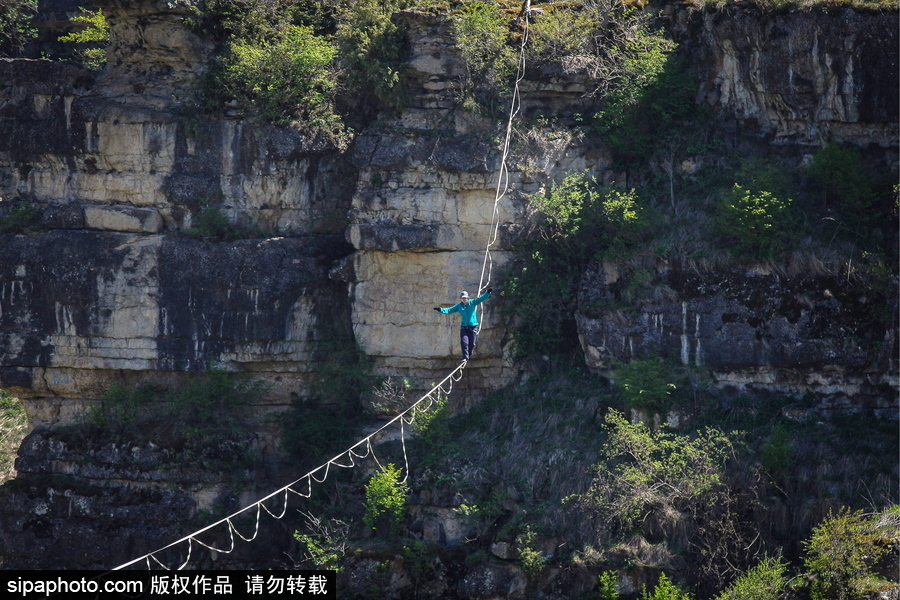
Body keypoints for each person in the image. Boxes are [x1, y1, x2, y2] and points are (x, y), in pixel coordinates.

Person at [434, 288, 492, 362]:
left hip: (473, 327)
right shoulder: (459, 306)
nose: (464, 299)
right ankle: (465, 357)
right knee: (464, 342)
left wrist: (488, 292)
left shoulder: (472, 302)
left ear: (468, 298)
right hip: (464, 327)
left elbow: (481, 299)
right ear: (460, 299)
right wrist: (440, 309)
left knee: (472, 344)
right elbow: (449, 310)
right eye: (463, 298)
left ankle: (469, 355)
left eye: (465, 298)